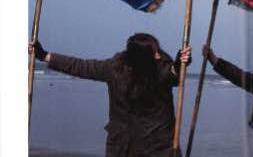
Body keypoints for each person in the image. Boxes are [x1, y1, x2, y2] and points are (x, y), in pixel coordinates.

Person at [30, 33, 191, 157]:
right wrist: (45, 55)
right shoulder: (115, 69)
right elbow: (81, 66)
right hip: (124, 147)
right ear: (142, 57)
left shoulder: (159, 71)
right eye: (155, 53)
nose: (159, 56)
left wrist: (178, 64)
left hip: (158, 149)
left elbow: (171, 74)